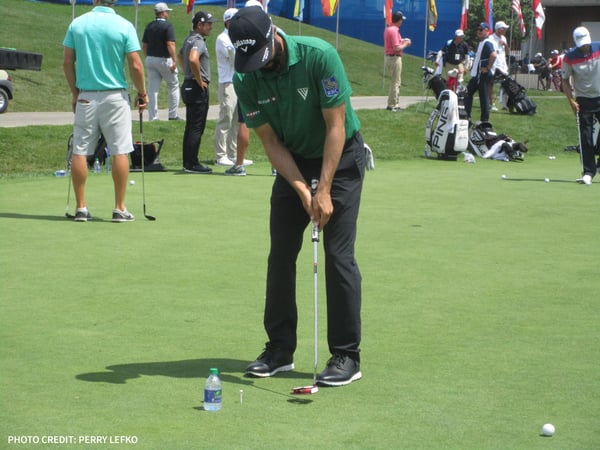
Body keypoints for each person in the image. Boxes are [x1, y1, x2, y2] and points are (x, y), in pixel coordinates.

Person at [230, 6, 366, 386]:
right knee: (281, 255)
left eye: (261, 55)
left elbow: (336, 126)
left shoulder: (319, 56)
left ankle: (346, 356)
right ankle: (279, 349)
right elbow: (269, 141)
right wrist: (301, 189)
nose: (257, 66)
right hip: (293, 159)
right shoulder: (247, 76)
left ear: (274, 35)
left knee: (338, 255)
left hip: (339, 161)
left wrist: (322, 188)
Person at [63, 0, 147, 223]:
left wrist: (75, 93)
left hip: (86, 96)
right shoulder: (124, 24)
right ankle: (119, 208)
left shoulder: (78, 24)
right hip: (115, 96)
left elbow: (67, 62)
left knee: (80, 149)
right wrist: (143, 92)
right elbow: (136, 65)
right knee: (119, 149)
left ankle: (81, 207)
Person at [177, 11, 215, 174]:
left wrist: (187, 73)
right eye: (208, 24)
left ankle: (188, 162)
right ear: (200, 25)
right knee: (196, 127)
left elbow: (180, 56)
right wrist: (199, 79)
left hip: (187, 84)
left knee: (191, 126)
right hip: (196, 87)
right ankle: (192, 163)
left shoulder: (189, 39)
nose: (211, 27)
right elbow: (193, 59)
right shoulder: (198, 41)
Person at [562, 26, 600, 186]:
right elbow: (565, 80)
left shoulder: (598, 47)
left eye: (586, 43)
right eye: (581, 44)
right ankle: (588, 172)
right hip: (583, 99)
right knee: (585, 137)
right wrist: (571, 100)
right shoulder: (569, 57)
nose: (585, 47)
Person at [142, 2, 181, 121]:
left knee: (153, 89)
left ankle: (153, 117)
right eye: (167, 12)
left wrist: (147, 57)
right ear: (163, 13)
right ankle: (173, 115)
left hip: (151, 59)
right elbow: (170, 44)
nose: (168, 13)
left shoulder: (149, 26)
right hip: (164, 59)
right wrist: (174, 60)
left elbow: (144, 45)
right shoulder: (168, 27)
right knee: (173, 85)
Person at [464, 23, 496, 124]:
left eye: (481, 30)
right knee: (468, 93)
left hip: (483, 75)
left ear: (487, 31)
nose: (479, 31)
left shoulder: (487, 42)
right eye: (478, 29)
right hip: (477, 75)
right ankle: (466, 116)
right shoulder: (481, 43)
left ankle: (484, 120)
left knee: (483, 97)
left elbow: (494, 55)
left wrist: (488, 67)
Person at [383, 11, 411, 112]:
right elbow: (396, 47)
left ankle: (392, 103)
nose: (401, 22)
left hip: (389, 57)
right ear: (399, 20)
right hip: (394, 57)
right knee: (396, 82)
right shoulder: (394, 30)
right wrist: (406, 44)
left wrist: (402, 40)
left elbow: (394, 43)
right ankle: (393, 104)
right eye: (401, 20)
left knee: (394, 82)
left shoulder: (388, 29)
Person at [488, 21, 509, 111]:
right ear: (498, 29)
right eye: (503, 28)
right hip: (494, 65)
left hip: (503, 65)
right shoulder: (491, 38)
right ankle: (491, 103)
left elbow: (507, 52)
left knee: (506, 84)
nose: (505, 30)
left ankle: (504, 104)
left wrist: (505, 45)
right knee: (491, 84)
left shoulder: (504, 38)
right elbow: (491, 52)